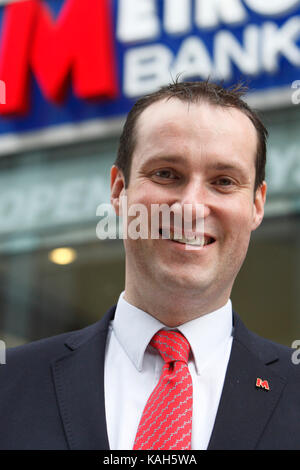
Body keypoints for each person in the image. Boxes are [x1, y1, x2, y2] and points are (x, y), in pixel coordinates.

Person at [0, 80, 299, 450]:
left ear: (257, 205)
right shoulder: (9, 383)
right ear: (118, 191)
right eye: (166, 174)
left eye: (223, 181)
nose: (191, 207)